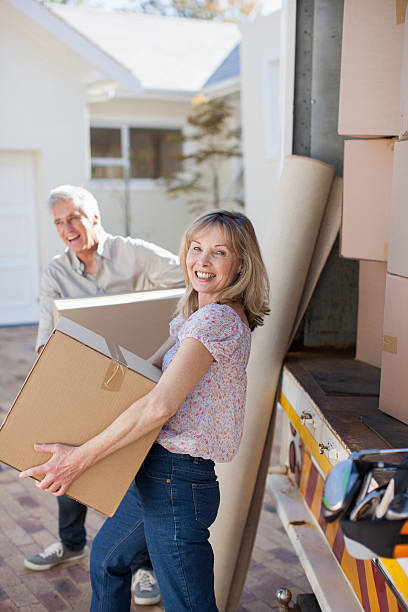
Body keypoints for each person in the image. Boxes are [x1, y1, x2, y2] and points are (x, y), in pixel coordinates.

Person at [20, 209, 270, 611]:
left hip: (178, 481)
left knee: (187, 604)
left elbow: (159, 405)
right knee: (106, 560)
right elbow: (145, 375)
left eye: (219, 253)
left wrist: (78, 460)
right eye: (196, 248)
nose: (202, 262)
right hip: (156, 473)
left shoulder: (218, 321)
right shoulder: (194, 315)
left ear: (241, 263)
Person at [25, 185, 184, 607]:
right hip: (84, 375)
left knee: (136, 459)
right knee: (67, 448)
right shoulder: (56, 272)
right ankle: (71, 542)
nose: (67, 229)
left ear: (94, 216)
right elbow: (46, 335)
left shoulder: (133, 253)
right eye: (59, 222)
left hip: (137, 374)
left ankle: (144, 566)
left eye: (73, 217)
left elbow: (186, 283)